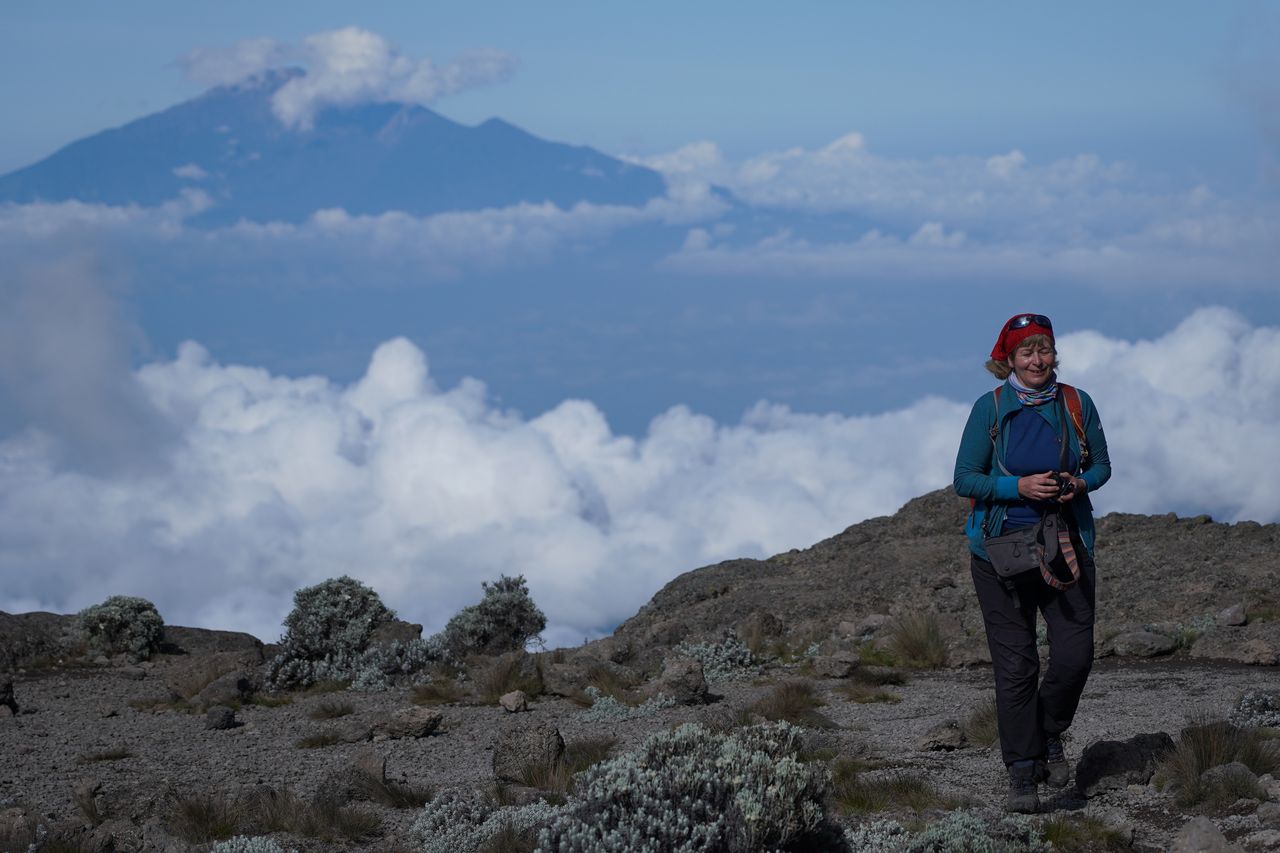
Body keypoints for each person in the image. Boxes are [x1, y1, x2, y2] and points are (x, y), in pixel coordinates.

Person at [953, 313, 1111, 813]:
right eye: (1027, 353)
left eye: (1044, 350)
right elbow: (964, 479)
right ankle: (1023, 772)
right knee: (1016, 665)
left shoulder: (1075, 403)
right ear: (1009, 360)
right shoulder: (990, 409)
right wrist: (1015, 487)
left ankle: (1047, 732)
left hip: (1064, 546)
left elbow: (1101, 465)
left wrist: (1079, 483)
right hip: (999, 553)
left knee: (1073, 658)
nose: (1038, 360)